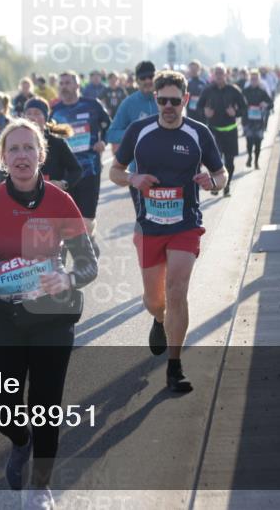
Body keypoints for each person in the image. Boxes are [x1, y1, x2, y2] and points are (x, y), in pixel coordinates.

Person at [0, 118, 98, 507]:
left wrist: (68, 280)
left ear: (41, 156)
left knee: (45, 404)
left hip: (51, 317)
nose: (21, 155)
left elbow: (88, 263)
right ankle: (20, 441)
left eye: (28, 148)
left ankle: (40, 487)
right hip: (2, 315)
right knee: (2, 408)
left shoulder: (61, 201)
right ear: (2, 159)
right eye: (13, 149)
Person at [109, 70, 227, 394]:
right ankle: (158, 320)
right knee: (154, 300)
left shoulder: (198, 133)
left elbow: (221, 173)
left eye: (176, 100)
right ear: (156, 100)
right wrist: (132, 179)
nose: (169, 106)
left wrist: (213, 183)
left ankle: (175, 367)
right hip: (149, 226)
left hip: (185, 224)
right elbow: (114, 171)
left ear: (186, 99)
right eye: (163, 101)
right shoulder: (140, 131)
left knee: (177, 289)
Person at [50, 71, 111, 255]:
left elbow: (109, 125)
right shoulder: (55, 112)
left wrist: (104, 141)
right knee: (67, 218)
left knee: (86, 218)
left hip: (89, 169)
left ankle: (89, 238)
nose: (64, 86)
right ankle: (71, 256)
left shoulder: (92, 105)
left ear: (77, 85)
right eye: (61, 83)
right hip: (66, 173)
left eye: (68, 82)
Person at [106, 61, 159, 210]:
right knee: (144, 220)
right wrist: (136, 133)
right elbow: (112, 134)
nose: (148, 81)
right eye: (143, 78)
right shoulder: (129, 103)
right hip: (139, 171)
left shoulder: (166, 99)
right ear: (137, 81)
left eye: (151, 76)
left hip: (168, 169)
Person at [198, 65, 246, 197]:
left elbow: (244, 108)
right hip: (214, 131)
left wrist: (235, 112)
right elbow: (198, 107)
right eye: (217, 73)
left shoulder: (234, 90)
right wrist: (205, 112)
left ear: (226, 74)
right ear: (213, 75)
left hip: (230, 131)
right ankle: (215, 185)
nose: (219, 76)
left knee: (229, 162)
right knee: (215, 161)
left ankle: (227, 186)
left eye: (222, 73)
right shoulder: (207, 90)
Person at [23, 97, 82, 192]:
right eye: (28, 113)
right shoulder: (16, 143)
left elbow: (76, 170)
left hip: (53, 197)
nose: (32, 117)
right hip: (25, 198)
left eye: (37, 113)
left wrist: (63, 184)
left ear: (45, 118)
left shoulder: (57, 143)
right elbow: (5, 171)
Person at [242, 69, 274, 170]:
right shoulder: (245, 91)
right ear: (249, 80)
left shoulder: (262, 91)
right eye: (252, 79)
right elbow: (238, 103)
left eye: (255, 79)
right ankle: (249, 157)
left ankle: (256, 161)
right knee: (249, 141)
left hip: (259, 121)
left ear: (259, 80)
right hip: (247, 120)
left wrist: (266, 104)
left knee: (258, 142)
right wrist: (244, 106)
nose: (254, 81)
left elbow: (271, 104)